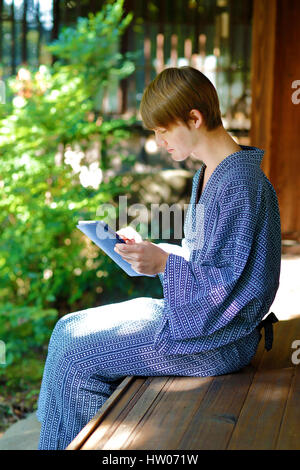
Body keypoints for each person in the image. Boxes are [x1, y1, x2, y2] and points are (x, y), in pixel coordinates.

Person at [37, 66, 281, 450]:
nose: (157, 141)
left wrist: (165, 265)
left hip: (218, 339)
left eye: (162, 130)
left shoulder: (240, 184)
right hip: (202, 325)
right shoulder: (212, 173)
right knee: (68, 328)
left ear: (195, 119)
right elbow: (206, 262)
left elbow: (232, 289)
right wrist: (156, 251)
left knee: (74, 358)